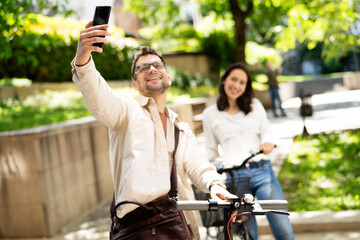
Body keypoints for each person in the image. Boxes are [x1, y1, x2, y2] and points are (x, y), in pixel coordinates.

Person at [70, 22, 237, 239]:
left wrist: (215, 185)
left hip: (178, 226)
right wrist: (83, 59)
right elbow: (98, 96)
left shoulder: (181, 129)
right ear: (136, 85)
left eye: (157, 65)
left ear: (168, 77)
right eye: (142, 67)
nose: (151, 69)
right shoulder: (125, 112)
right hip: (137, 228)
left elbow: (198, 165)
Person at [202, 62, 294, 240]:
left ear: (246, 87)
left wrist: (267, 142)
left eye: (242, 82)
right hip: (235, 178)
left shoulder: (255, 105)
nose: (236, 85)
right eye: (233, 79)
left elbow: (266, 132)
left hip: (262, 171)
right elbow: (210, 151)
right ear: (224, 81)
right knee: (247, 234)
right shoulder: (210, 114)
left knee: (283, 228)